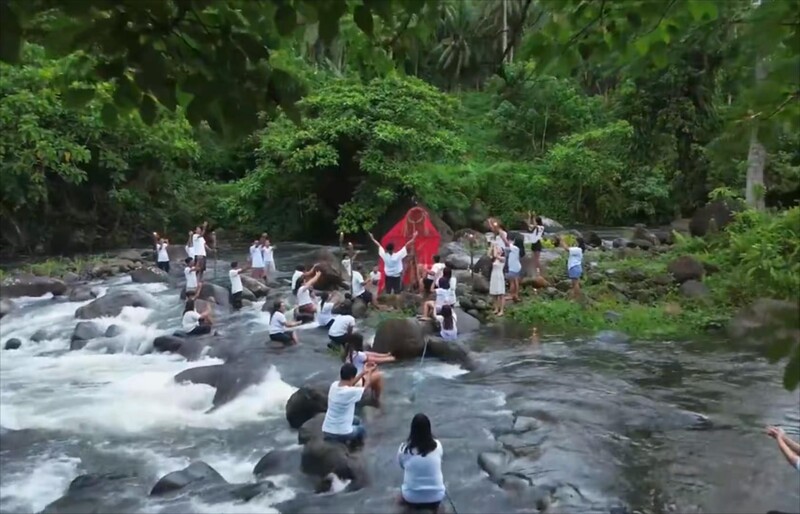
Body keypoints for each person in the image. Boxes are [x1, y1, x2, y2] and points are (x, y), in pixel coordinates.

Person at [397, 413, 446, 511]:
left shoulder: (404, 449)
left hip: (411, 497)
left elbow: (402, 466)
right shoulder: (438, 446)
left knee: (398, 499)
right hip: (436, 496)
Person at [321, 362, 375, 446]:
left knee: (356, 420)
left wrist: (363, 372)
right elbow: (365, 388)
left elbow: (350, 383)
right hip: (342, 433)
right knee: (361, 429)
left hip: (327, 430)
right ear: (352, 377)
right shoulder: (350, 392)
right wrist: (369, 373)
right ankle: (356, 447)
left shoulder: (334, 385)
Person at [343, 335, 395, 404]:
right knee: (379, 375)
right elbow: (375, 360)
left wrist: (385, 355)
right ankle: (377, 400)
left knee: (373, 370)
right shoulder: (358, 355)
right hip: (356, 382)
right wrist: (391, 358)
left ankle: (373, 396)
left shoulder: (349, 353)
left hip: (350, 380)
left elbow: (368, 354)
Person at [501, 231, 523, 302]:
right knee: (515, 281)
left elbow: (507, 244)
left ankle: (511, 295)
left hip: (513, 267)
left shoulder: (515, 248)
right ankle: (515, 295)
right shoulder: (516, 248)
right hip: (516, 267)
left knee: (512, 282)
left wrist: (503, 237)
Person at [489, 244, 506, 316]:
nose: (498, 249)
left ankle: (501, 310)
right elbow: (490, 254)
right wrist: (492, 247)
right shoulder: (494, 259)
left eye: (500, 249)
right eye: (498, 248)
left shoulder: (502, 258)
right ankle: (496, 308)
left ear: (502, 252)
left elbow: (496, 255)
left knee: (501, 294)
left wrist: (495, 247)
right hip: (494, 276)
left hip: (499, 276)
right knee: (494, 294)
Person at [527, 213, 544, 277]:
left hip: (537, 243)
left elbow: (535, 225)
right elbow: (528, 224)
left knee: (537, 259)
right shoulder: (534, 227)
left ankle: (538, 272)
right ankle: (534, 271)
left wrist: (533, 217)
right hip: (533, 243)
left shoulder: (541, 227)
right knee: (533, 258)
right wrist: (529, 217)